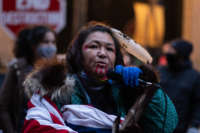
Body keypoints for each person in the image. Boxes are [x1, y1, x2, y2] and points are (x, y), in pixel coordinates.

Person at [23, 21, 178, 133]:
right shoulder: (55, 87)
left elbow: (166, 126)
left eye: (109, 49)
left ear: (116, 57)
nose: (102, 53)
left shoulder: (127, 90)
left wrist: (145, 88)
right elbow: (38, 127)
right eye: (94, 46)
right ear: (79, 54)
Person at [0, 25, 57, 133]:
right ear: (33, 45)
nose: (50, 46)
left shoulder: (57, 70)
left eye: (53, 42)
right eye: (45, 42)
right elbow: (3, 107)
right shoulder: (17, 68)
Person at [158, 39, 200, 133]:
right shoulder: (160, 71)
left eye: (172, 50)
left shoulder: (194, 76)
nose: (168, 53)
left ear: (181, 54)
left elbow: (197, 103)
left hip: (181, 128)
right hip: (158, 126)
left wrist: (193, 126)